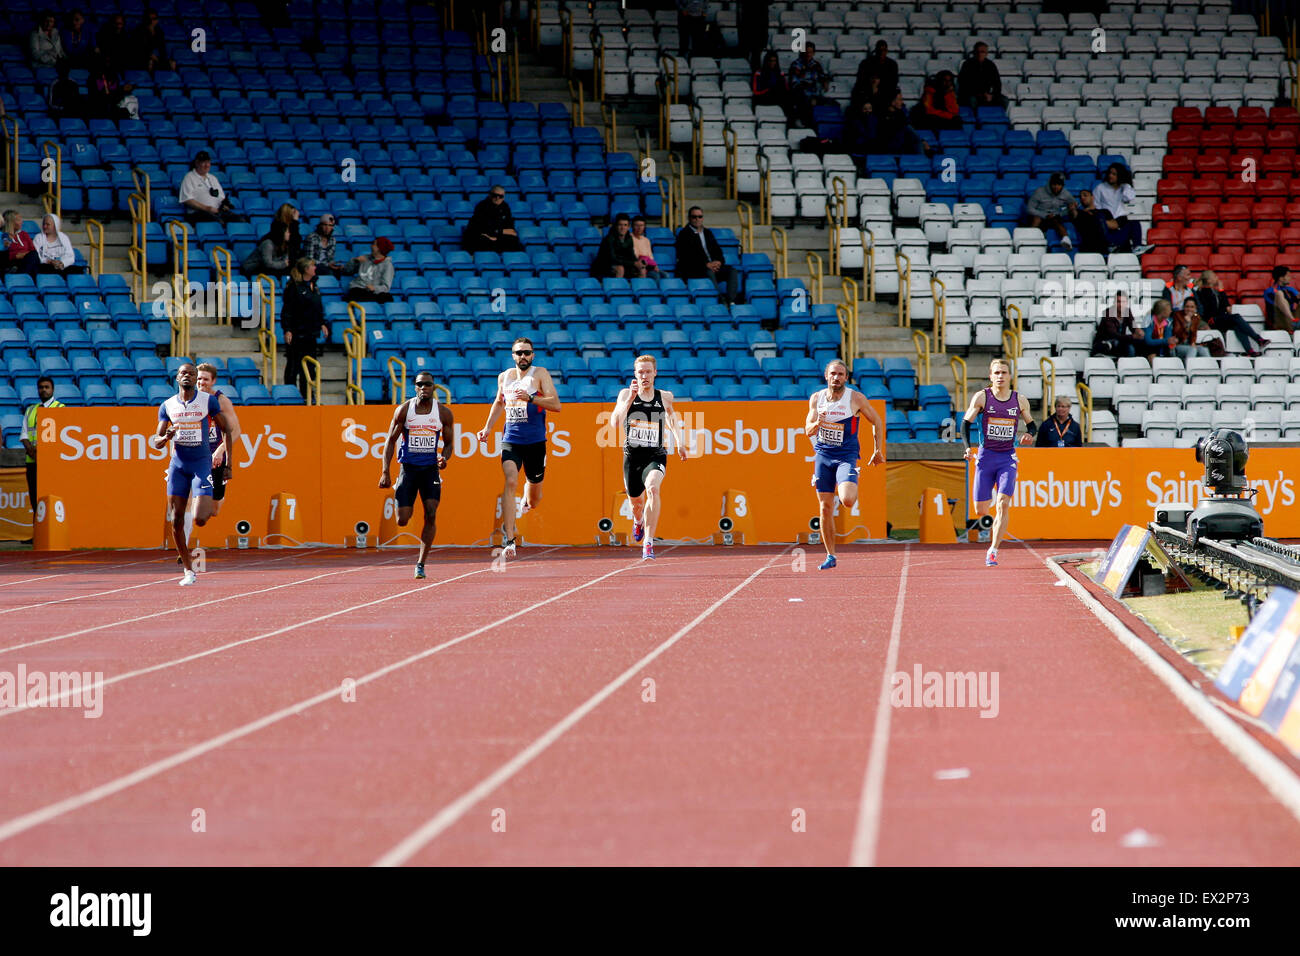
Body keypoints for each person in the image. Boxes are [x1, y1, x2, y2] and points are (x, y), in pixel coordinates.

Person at [475, 337, 562, 558]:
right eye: (519, 353)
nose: (523, 356)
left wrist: (531, 398)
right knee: (510, 479)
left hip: (535, 442)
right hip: (511, 439)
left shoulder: (540, 374)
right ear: (513, 355)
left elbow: (556, 405)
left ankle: (527, 496)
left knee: (534, 500)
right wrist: (487, 428)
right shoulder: (504, 377)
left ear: (533, 355)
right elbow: (499, 401)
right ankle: (510, 539)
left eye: (527, 352)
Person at [151, 363, 237, 586]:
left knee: (200, 517)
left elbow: (229, 429)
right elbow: (156, 441)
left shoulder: (209, 401)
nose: (189, 377)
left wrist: (229, 464)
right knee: (176, 518)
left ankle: (207, 507)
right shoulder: (167, 405)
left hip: (201, 462)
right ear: (177, 378)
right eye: (184, 374)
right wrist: (167, 436)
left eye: (192, 374)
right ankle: (189, 570)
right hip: (178, 465)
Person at [803, 358, 885, 571]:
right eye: (833, 374)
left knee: (847, 500)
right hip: (823, 456)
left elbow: (876, 420)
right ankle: (830, 555)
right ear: (826, 376)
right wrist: (818, 421)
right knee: (825, 507)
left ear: (846, 377)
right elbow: (808, 430)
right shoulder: (816, 399)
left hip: (846, 456)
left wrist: (878, 450)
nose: (836, 378)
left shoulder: (855, 398)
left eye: (840, 374)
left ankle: (848, 478)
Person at [379, 371, 456, 580]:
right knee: (403, 520)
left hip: (430, 469)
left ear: (434, 387)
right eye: (420, 384)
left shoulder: (443, 413)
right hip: (408, 468)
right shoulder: (405, 410)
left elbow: (449, 443)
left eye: (428, 384)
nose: (424, 388)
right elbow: (390, 441)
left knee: (431, 513)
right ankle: (400, 491)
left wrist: (444, 458)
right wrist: (385, 471)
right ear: (415, 387)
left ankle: (421, 563)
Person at [611, 355, 688, 561]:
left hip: (656, 454)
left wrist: (679, 442)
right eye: (640, 372)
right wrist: (629, 400)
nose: (644, 376)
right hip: (632, 456)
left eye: (648, 371)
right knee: (636, 502)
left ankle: (649, 542)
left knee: (653, 488)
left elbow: (671, 417)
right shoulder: (626, 394)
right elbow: (615, 423)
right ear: (635, 374)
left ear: (655, 373)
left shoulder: (664, 396)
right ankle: (638, 521)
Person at [961, 358, 1035, 567]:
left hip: (1007, 458)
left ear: (1010, 376)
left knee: (1003, 503)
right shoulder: (982, 397)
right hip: (985, 458)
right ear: (990, 376)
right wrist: (967, 447)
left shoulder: (1019, 400)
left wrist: (1030, 435)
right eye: (997, 373)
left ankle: (993, 550)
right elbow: (965, 424)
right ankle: (994, 520)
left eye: (1004, 372)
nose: (1000, 376)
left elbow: (1032, 425)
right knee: (981, 510)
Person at [20, 376, 64, 527]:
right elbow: (24, 434)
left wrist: (42, 452)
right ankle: (38, 531)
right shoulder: (31, 410)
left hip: (51, 462)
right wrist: (32, 451)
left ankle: (50, 529)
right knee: (34, 497)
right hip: (32, 460)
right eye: (41, 387)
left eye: (47, 387)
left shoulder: (61, 408)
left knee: (49, 496)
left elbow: (61, 435)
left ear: (53, 389)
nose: (43, 390)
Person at [281, 257, 327, 400]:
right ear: (306, 269)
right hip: (297, 332)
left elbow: (317, 308)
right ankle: (290, 394)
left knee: (309, 366)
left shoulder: (315, 286)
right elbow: (287, 310)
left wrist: (322, 323)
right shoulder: (294, 287)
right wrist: (287, 329)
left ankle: (308, 395)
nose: (315, 268)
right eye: (313, 266)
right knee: (294, 365)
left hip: (310, 333)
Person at [674, 206, 739, 304]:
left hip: (711, 266)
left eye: (700, 217)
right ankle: (720, 301)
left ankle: (731, 301)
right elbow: (685, 257)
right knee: (709, 272)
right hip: (694, 269)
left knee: (732, 271)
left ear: (702, 218)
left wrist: (718, 262)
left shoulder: (708, 232)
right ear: (689, 218)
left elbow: (718, 251)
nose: (697, 219)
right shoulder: (684, 234)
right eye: (694, 217)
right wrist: (705, 264)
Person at [1195, 270, 1266, 356]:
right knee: (1236, 317)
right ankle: (1258, 339)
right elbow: (1209, 310)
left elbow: (1227, 307)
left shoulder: (1216, 292)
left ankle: (1250, 351)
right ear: (1209, 280)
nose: (1217, 278)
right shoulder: (1201, 293)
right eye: (1214, 276)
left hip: (1220, 319)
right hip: (1212, 320)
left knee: (1236, 325)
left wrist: (1221, 291)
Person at [1093, 163, 1150, 254]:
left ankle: (1137, 247)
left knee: (1134, 223)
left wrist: (1125, 185)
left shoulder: (1124, 187)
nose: (1110, 176)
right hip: (1106, 220)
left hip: (1121, 220)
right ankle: (1111, 245)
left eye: (1114, 174)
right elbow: (1096, 206)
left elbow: (1129, 197)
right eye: (1110, 173)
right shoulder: (1100, 188)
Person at [179, 151, 245, 224]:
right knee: (217, 221)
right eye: (204, 162)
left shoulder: (213, 178)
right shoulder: (189, 177)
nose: (207, 165)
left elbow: (221, 197)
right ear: (197, 163)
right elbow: (187, 200)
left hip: (218, 212)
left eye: (208, 162)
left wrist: (225, 205)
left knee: (239, 220)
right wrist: (207, 208)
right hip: (198, 213)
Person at [461, 186, 522, 253]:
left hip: (497, 236)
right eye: (495, 195)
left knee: (513, 240)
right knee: (480, 239)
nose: (497, 198)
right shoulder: (482, 206)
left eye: (500, 196)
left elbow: (511, 229)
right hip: (482, 235)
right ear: (490, 194)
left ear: (504, 197)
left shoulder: (505, 207)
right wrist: (496, 233)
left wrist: (497, 233)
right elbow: (482, 227)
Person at [1025, 173, 1076, 249]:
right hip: (1040, 216)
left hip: (1054, 216)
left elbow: (1073, 205)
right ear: (1050, 184)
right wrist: (1044, 215)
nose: (1056, 187)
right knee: (1036, 219)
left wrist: (1061, 213)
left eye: (1059, 185)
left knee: (1056, 221)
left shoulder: (1066, 194)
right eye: (1054, 184)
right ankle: (1030, 241)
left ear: (1062, 185)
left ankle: (1066, 239)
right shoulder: (1039, 192)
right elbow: (1029, 209)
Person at [787, 42, 829, 128]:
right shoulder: (796, 65)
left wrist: (825, 82)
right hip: (801, 94)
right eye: (806, 52)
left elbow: (822, 76)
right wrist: (810, 96)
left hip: (814, 94)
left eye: (810, 52)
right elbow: (794, 84)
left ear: (814, 53)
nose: (808, 54)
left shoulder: (816, 65)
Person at [1090, 290, 1143, 358]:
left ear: (1127, 303)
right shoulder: (1108, 313)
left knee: (1141, 341)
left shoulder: (1127, 311)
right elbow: (1113, 334)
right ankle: (1124, 365)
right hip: (1105, 342)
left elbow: (1133, 326)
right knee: (1128, 347)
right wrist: (1132, 337)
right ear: (1114, 302)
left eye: (1123, 302)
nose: (1121, 304)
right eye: (1118, 302)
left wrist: (1138, 331)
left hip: (1120, 341)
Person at [851, 40, 898, 114]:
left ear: (887, 51)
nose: (882, 53)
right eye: (880, 50)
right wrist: (872, 86)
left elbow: (893, 84)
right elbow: (860, 82)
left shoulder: (892, 65)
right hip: (867, 94)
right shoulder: (866, 63)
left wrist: (878, 89)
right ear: (876, 51)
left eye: (884, 50)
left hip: (884, 95)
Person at [342, 237, 395, 303]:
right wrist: (355, 261)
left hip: (373, 292)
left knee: (387, 297)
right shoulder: (364, 258)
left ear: (379, 248)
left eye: (374, 244)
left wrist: (374, 288)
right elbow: (347, 271)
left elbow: (386, 287)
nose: (371, 246)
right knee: (354, 294)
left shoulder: (388, 265)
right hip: (358, 289)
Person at [592, 212, 642, 278]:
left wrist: (638, 263)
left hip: (621, 264)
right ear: (616, 226)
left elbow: (631, 255)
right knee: (620, 269)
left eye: (625, 225)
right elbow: (613, 259)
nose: (622, 228)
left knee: (642, 268)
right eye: (620, 225)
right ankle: (618, 287)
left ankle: (639, 287)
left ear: (628, 227)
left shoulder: (629, 238)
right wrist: (633, 263)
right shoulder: (609, 239)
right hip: (604, 266)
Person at [957, 42, 1005, 109]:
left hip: (987, 94)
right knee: (972, 100)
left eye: (983, 52)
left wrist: (992, 95)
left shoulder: (990, 65)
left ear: (986, 53)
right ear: (974, 52)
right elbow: (964, 83)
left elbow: (997, 83)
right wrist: (981, 94)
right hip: (971, 94)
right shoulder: (967, 64)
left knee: (1004, 100)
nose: (980, 54)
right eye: (978, 52)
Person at [129, 8, 175, 72]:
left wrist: (163, 60)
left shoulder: (159, 32)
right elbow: (138, 48)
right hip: (140, 58)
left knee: (171, 63)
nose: (151, 21)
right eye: (149, 19)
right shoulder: (138, 31)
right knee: (150, 62)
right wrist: (150, 56)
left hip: (155, 58)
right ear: (145, 20)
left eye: (154, 19)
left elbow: (162, 49)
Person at [2, 210, 38, 278]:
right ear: (11, 222)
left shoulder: (24, 234)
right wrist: (15, 256)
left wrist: (24, 254)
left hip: (26, 259)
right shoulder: (3, 236)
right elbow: (3, 254)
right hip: (12, 262)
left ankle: (24, 277)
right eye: (18, 220)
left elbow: (33, 250)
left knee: (34, 255)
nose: (22, 222)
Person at [1072, 189, 1109, 255]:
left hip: (1103, 245)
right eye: (1080, 197)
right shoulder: (1080, 213)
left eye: (1085, 195)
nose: (1082, 198)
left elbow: (1114, 225)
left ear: (1092, 197)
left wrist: (1098, 220)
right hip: (1088, 246)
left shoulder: (1104, 212)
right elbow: (1073, 214)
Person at [1264, 265, 1299, 333]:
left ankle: (1295, 323)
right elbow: (1279, 302)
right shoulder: (1269, 291)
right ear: (1281, 278)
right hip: (1278, 320)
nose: (1290, 278)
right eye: (1288, 276)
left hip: (1292, 320)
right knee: (1279, 294)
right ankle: (1293, 321)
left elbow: (1297, 296)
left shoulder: (1290, 290)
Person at [630, 215, 661, 279]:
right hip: (637, 266)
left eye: (641, 225)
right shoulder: (629, 238)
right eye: (637, 225)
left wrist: (654, 266)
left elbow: (650, 256)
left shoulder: (646, 240)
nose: (639, 228)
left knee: (665, 275)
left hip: (649, 265)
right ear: (632, 226)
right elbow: (636, 256)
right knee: (656, 276)